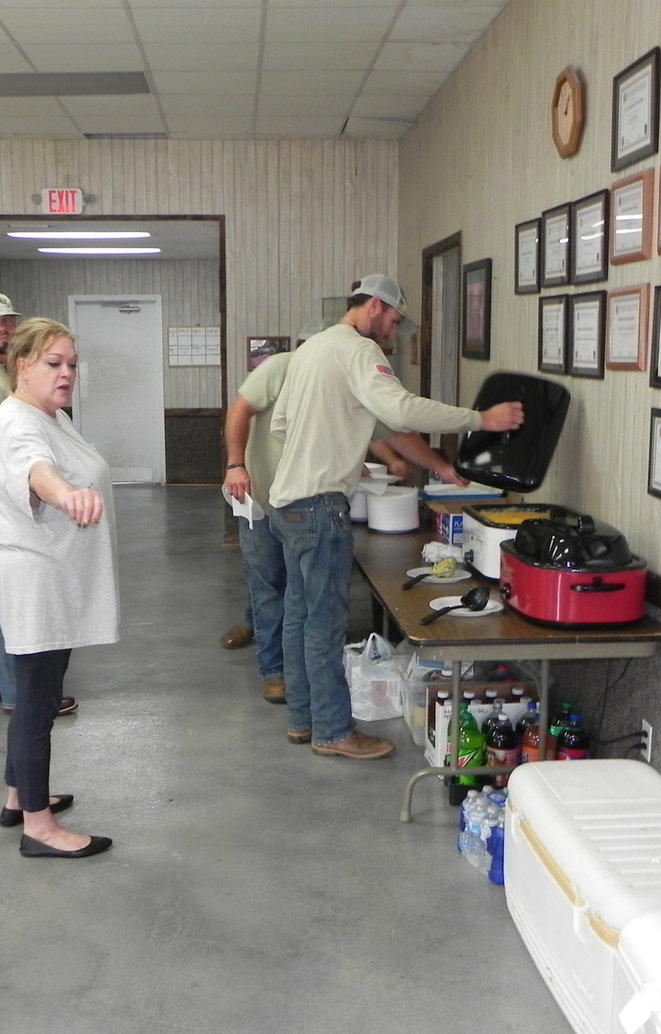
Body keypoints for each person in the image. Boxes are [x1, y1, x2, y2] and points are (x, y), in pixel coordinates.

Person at [268, 274, 524, 761]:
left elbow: (286, 424)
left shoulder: (311, 350)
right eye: (393, 319)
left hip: (288, 504)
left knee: (299, 619)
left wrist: (435, 465)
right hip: (320, 507)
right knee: (324, 626)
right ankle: (333, 731)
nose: (392, 331)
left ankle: (302, 720)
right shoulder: (359, 350)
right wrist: (480, 419)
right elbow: (401, 410)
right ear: (374, 306)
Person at [222, 319, 470, 704]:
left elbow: (389, 429)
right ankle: (273, 668)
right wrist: (235, 464)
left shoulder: (343, 379)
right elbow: (240, 409)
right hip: (261, 497)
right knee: (268, 582)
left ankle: (288, 674)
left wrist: (435, 466)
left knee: (292, 595)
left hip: (302, 503)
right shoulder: (280, 367)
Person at [0, 318, 118, 859]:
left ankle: (19, 797)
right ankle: (39, 828)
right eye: (53, 363)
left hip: (49, 575)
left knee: (37, 690)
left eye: (72, 365)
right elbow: (35, 470)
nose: (67, 374)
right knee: (38, 702)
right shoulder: (19, 423)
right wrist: (67, 496)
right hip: (36, 581)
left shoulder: (47, 415)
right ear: (23, 366)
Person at [0, 291, 76, 717]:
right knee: (10, 602)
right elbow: (11, 454)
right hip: (0, 511)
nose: (3, 329)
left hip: (3, 508)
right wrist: (62, 488)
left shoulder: (3, 373)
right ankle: (18, 695)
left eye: (8, 320)